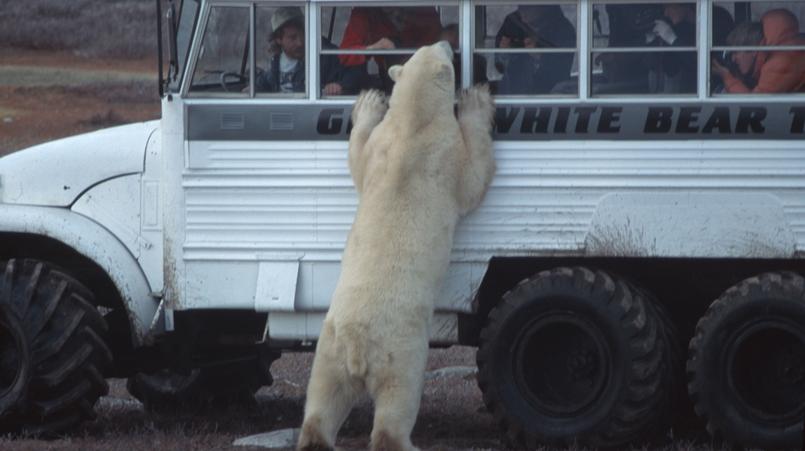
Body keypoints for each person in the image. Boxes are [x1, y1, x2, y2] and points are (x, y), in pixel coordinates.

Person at [256, 7, 362, 95]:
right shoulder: (276, 61)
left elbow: (356, 70)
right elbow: (265, 81)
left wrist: (340, 85)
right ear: (279, 39)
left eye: (304, 35)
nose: (300, 43)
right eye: (293, 38)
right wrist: (252, 89)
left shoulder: (325, 53)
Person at [338, 7, 441, 89]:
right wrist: (373, 48)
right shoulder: (364, 11)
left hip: (424, 75)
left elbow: (437, 46)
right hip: (389, 77)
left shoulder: (424, 8)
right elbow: (344, 54)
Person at [712, 9, 805, 94]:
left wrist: (727, 77)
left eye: (736, 52)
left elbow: (754, 106)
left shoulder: (779, 63)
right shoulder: (773, 57)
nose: (733, 59)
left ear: (753, 50)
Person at [495, 5, 576, 95]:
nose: (522, 9)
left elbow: (562, 71)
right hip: (512, 94)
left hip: (550, 96)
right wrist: (504, 53)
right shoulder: (512, 22)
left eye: (528, 6)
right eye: (520, 5)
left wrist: (540, 56)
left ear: (544, 6)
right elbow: (499, 67)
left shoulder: (563, 29)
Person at [645, 3, 697, 93]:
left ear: (687, 6)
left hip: (691, 93)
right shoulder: (672, 25)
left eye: (670, 8)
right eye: (664, 8)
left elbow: (699, 63)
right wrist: (650, 42)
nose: (666, 13)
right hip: (665, 86)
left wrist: (673, 40)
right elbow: (653, 65)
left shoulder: (702, 28)